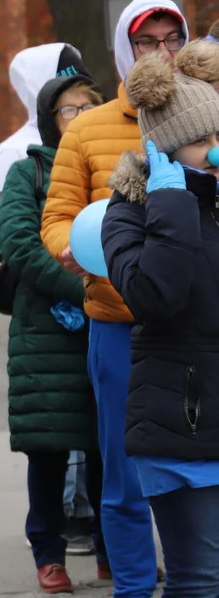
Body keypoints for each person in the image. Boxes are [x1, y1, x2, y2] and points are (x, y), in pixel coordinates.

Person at [41, 0, 187, 596]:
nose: (161, 53)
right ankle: (131, 585)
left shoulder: (207, 118)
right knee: (123, 472)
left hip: (193, 326)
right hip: (116, 322)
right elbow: (56, 218)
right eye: (147, 42)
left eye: (171, 39)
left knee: (195, 468)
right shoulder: (90, 128)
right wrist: (69, 250)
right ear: (125, 51)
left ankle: (192, 579)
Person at [104, 43, 219, 597]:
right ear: (167, 149)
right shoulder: (129, 210)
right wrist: (171, 205)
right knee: (198, 582)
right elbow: (155, 295)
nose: (216, 150)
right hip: (182, 421)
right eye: (202, 141)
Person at [0, 75, 107, 593]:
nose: (82, 116)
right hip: (47, 332)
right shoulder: (29, 172)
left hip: (110, 321)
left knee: (110, 448)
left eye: (91, 106)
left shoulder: (114, 163)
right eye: (69, 110)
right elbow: (19, 242)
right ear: (48, 119)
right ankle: (48, 552)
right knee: (49, 450)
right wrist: (80, 289)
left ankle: (114, 550)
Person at [0, 44, 91, 229]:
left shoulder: (99, 138)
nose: (78, 96)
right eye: (68, 88)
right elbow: (8, 235)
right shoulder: (12, 153)